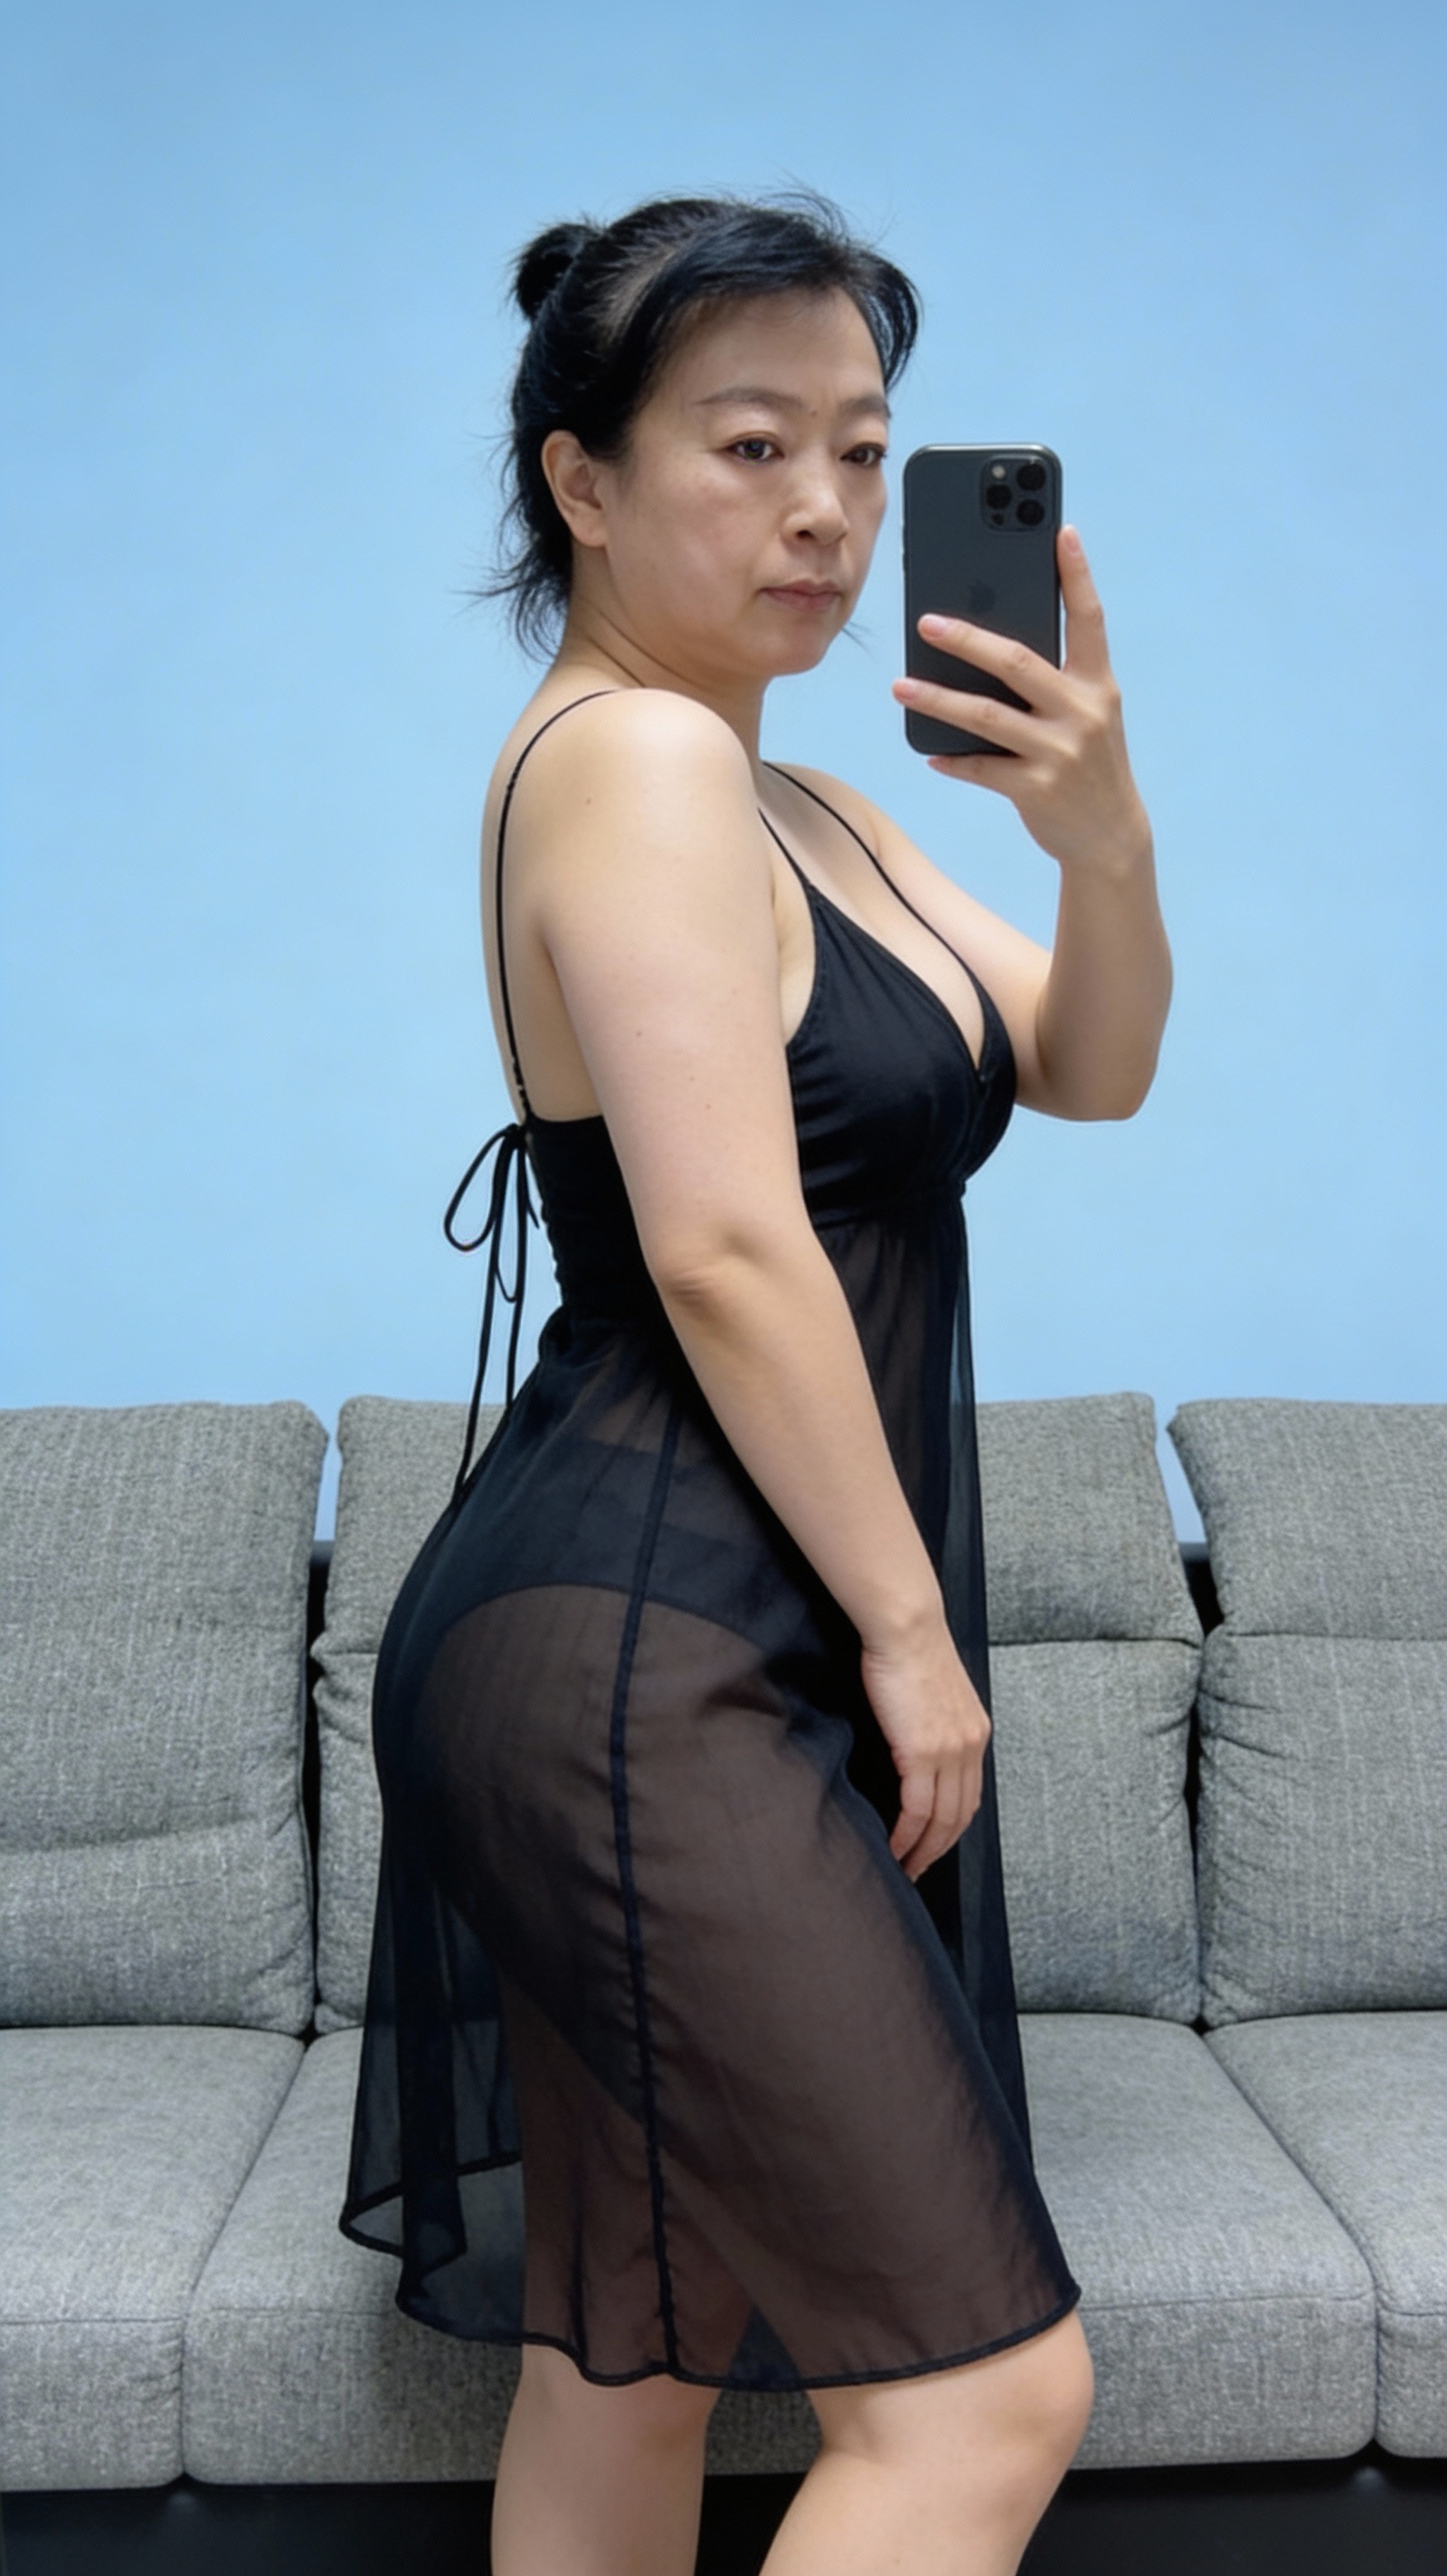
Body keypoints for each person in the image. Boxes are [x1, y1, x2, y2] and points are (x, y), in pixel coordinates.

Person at [338, 192, 1172, 2576]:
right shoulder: (633, 762)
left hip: (660, 1635)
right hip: (650, 1642)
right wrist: (913, 1636)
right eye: (748, 445)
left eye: (862, 450)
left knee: (643, 2356)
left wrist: (1100, 832)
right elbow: (719, 1241)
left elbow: (1092, 1062)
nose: (824, 507)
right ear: (583, 482)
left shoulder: (802, 800)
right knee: (988, 2401)